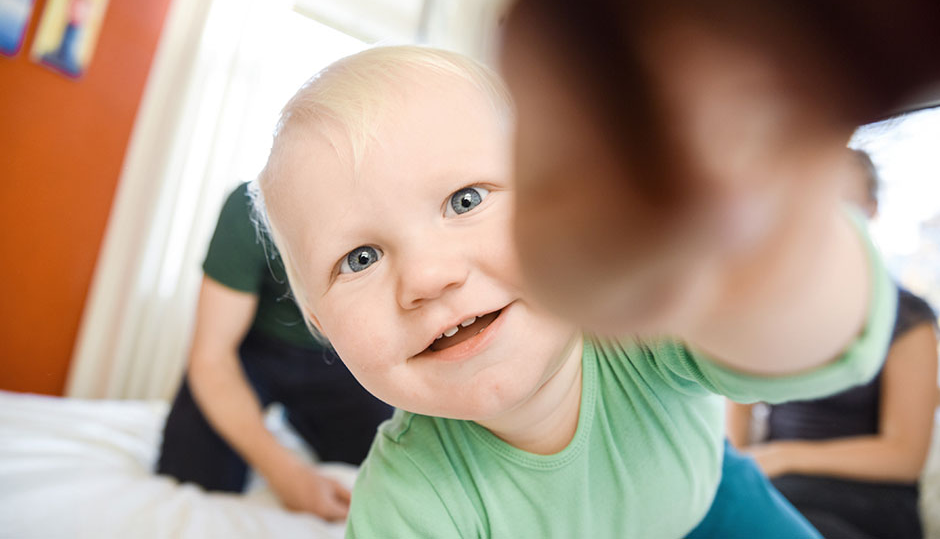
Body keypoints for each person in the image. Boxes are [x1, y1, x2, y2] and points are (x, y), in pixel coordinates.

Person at [254, 45, 896, 537]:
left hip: (717, 511)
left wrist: (776, 238)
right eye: (359, 258)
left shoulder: (633, 332)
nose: (428, 277)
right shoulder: (410, 498)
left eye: (465, 200)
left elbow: (795, 337)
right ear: (318, 322)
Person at [727, 149, 939, 539]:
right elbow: (736, 400)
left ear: (872, 210)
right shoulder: (774, 308)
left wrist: (783, 456)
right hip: (778, 483)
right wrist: (735, 473)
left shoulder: (909, 318)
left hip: (870, 498)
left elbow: (905, 455)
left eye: (843, 204)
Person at [155, 182, 394, 521]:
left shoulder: (391, 209)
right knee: (190, 471)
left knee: (387, 470)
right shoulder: (249, 208)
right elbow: (210, 355)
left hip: (342, 358)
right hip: (253, 351)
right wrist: (287, 475)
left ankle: (301, 418)